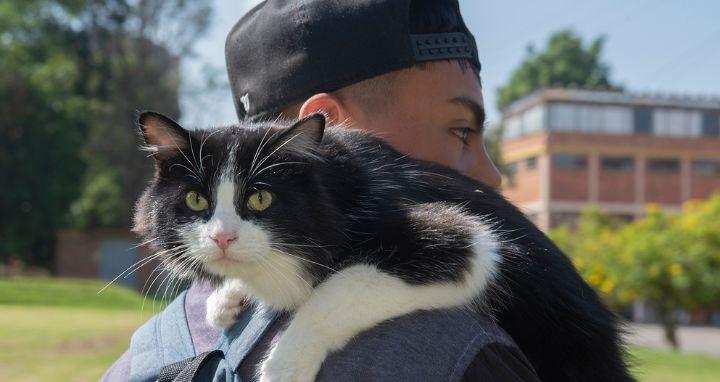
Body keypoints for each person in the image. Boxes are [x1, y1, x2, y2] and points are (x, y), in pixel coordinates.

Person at [103, 0, 540, 380]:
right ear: (335, 129)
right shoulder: (452, 351)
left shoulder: (140, 359)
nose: (493, 176)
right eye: (461, 131)